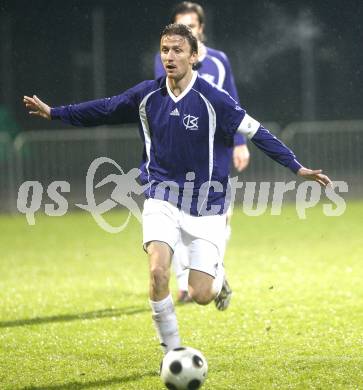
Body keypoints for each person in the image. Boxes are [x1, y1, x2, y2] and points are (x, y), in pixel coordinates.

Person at [24, 23, 331, 354]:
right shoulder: (147, 96)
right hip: (161, 197)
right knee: (158, 273)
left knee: (201, 295)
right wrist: (56, 113)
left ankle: (217, 279)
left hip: (208, 206)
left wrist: (296, 166)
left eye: (178, 50)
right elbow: (105, 108)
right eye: (165, 50)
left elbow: (258, 133)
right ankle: (172, 352)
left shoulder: (215, 100)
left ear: (194, 56)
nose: (169, 57)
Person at [155, 1, 250, 303]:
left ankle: (212, 270)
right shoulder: (166, 60)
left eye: (191, 27)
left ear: (201, 29)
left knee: (217, 217)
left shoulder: (219, 62)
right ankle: (185, 283)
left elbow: (232, 103)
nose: (187, 32)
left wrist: (240, 143)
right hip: (179, 154)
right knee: (180, 216)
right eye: (181, 27)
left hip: (216, 151)